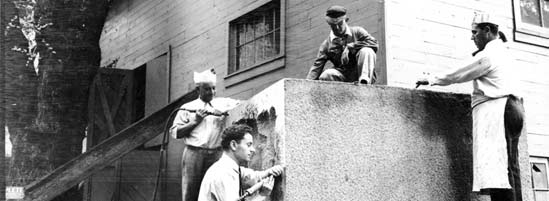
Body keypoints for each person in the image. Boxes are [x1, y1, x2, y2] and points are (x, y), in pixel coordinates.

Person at [416, 13, 524, 201]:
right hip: (513, 108)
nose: (472, 37)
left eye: (475, 32)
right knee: (509, 166)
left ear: (487, 30)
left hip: (499, 110)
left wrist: (432, 79)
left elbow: (460, 73)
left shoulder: (490, 54)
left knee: (499, 170)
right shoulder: (505, 52)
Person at [171, 69, 240, 201]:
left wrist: (229, 112)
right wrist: (195, 121)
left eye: (214, 88)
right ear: (198, 90)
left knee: (216, 188)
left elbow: (242, 104)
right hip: (194, 153)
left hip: (216, 153)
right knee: (191, 190)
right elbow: (175, 132)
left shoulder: (222, 103)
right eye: (207, 89)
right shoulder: (187, 108)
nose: (212, 92)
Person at [198, 124, 284, 201]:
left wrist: (270, 172)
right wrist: (261, 195)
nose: (253, 150)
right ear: (234, 145)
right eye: (249, 145)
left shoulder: (229, 167)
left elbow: (253, 176)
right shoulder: (223, 173)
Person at [306, 5, 379, 84]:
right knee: (326, 75)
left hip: (360, 74)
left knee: (367, 50)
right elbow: (316, 67)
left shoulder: (358, 31)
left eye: (340, 24)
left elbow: (374, 43)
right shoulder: (326, 45)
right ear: (329, 24)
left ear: (346, 20)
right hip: (343, 77)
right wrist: (306, 85)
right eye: (333, 26)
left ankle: (364, 84)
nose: (337, 28)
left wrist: (351, 46)